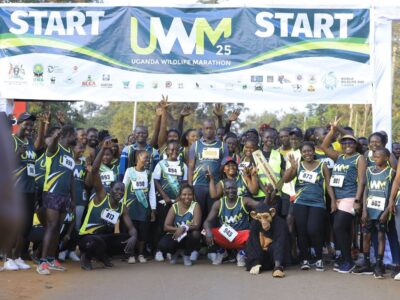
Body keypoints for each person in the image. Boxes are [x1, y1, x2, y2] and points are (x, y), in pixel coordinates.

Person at [79, 140, 137, 270]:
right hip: (87, 237)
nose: (119, 193)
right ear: (110, 190)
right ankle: (86, 258)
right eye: (117, 190)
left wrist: (134, 236)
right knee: (96, 241)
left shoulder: (122, 207)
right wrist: (102, 150)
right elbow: (94, 171)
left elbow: (131, 227)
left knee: (126, 239)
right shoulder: (101, 197)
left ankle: (102, 255)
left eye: (122, 190)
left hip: (103, 237)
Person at [321, 120, 366, 273]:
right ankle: (346, 258)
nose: (348, 145)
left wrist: (358, 201)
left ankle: (348, 261)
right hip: (337, 199)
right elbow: (324, 147)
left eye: (351, 143)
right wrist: (333, 130)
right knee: (340, 230)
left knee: (338, 227)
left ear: (355, 145)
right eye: (344, 143)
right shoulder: (339, 156)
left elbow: (362, 181)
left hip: (349, 197)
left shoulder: (359, 158)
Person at [284, 142, 336, 271]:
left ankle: (319, 258)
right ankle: (305, 259)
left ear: (314, 151)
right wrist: (292, 167)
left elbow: (329, 185)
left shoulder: (322, 165)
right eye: (304, 151)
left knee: (314, 230)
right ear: (301, 153)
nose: (307, 153)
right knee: (301, 231)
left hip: (317, 203)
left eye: (309, 151)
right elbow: (285, 180)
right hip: (300, 202)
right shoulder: (299, 166)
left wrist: (333, 201)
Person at [37, 125, 77, 275]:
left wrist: (73, 198)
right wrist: (55, 137)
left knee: (58, 229)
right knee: (51, 226)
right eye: (74, 135)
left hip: (65, 196)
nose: (76, 138)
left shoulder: (70, 154)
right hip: (52, 193)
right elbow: (52, 145)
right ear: (67, 135)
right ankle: (42, 263)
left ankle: (51, 259)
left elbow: (71, 178)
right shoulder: (55, 149)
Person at [353, 148, 394, 279]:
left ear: (387, 158)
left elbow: (392, 194)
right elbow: (366, 190)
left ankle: (378, 264)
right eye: (374, 157)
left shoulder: (391, 173)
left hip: (382, 211)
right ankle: (366, 263)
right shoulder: (369, 171)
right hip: (369, 211)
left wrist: (386, 211)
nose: (375, 159)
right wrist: (364, 210)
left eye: (378, 157)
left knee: (381, 236)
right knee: (366, 236)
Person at [203, 179, 260, 267]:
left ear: (237, 189)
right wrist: (209, 232)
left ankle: (242, 253)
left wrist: (268, 196)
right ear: (224, 190)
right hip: (225, 235)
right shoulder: (218, 203)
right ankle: (222, 252)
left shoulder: (244, 200)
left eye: (233, 188)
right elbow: (208, 221)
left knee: (252, 234)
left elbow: (260, 206)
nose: (231, 191)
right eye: (228, 188)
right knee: (205, 231)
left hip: (240, 235)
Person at [151, 140, 188, 262]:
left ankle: (168, 250)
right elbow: (156, 181)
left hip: (177, 202)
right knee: (161, 226)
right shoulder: (160, 164)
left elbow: (184, 183)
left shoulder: (183, 166)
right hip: (163, 201)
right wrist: (165, 196)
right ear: (167, 151)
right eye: (171, 149)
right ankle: (158, 251)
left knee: (172, 226)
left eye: (176, 150)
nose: (174, 152)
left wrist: (179, 198)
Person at [188, 119, 228, 220]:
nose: (209, 131)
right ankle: (198, 235)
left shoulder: (223, 146)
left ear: (215, 129)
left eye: (211, 128)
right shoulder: (195, 145)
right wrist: (190, 185)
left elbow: (224, 166)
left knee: (212, 215)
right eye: (206, 128)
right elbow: (191, 166)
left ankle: (209, 235)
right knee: (198, 214)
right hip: (198, 185)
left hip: (215, 185)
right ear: (202, 130)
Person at [122, 150, 156, 263]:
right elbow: (123, 188)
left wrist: (153, 209)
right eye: (145, 157)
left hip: (144, 209)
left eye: (149, 158)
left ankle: (141, 254)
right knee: (132, 232)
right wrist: (121, 206)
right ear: (138, 158)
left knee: (143, 233)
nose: (148, 160)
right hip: (131, 208)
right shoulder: (129, 171)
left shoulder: (149, 173)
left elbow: (151, 193)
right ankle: (131, 255)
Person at [158, 184, 202, 266]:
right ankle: (175, 252)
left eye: (190, 194)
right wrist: (178, 229)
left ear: (193, 195)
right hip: (176, 235)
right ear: (180, 195)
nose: (187, 197)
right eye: (184, 194)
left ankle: (186, 254)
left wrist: (183, 228)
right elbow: (166, 226)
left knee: (196, 234)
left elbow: (197, 225)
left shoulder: (195, 205)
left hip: (188, 235)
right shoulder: (175, 206)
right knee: (162, 245)